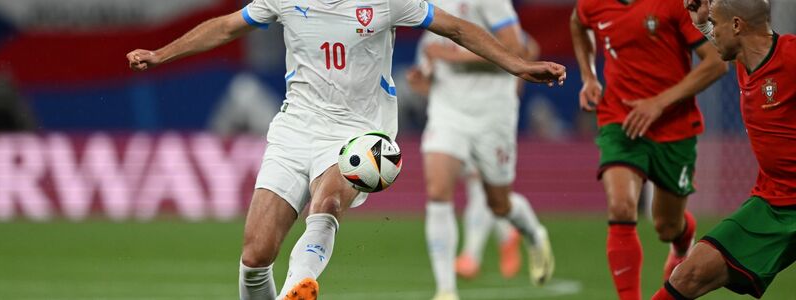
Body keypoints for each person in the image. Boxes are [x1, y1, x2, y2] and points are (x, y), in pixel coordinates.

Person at [126, 0, 566, 299]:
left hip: (361, 132)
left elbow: (454, 27)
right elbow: (225, 26)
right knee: (255, 253)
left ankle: (299, 285)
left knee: (330, 200)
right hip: (295, 127)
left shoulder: (386, 2)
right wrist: (162, 54)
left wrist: (519, 65)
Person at [569, 0, 728, 298]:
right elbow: (577, 23)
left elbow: (715, 63)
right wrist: (588, 75)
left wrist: (658, 103)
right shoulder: (593, 4)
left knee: (667, 227)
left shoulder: (673, 5)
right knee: (620, 206)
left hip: (674, 127)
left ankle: (682, 240)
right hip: (620, 120)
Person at [406, 1, 553, 298]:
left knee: (499, 204)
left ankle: (534, 233)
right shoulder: (432, 4)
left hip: (492, 113)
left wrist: (450, 56)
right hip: (447, 110)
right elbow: (431, 54)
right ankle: (446, 291)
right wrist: (425, 76)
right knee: (437, 191)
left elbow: (517, 49)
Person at [652, 0, 796, 298]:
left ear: (736, 25)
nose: (711, 33)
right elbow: (726, 43)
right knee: (687, 275)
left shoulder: (791, 56)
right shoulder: (748, 57)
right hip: (772, 205)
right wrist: (702, 21)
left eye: (715, 25)